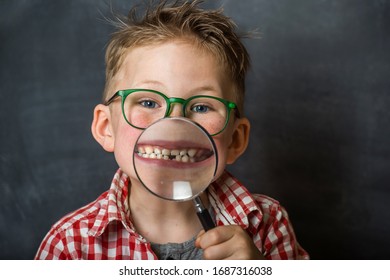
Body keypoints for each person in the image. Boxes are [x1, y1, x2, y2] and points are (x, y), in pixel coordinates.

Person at [35, 0, 309, 260]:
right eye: (148, 101)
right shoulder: (70, 245)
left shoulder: (267, 224)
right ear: (106, 128)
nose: (175, 124)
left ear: (236, 140)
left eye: (201, 107)